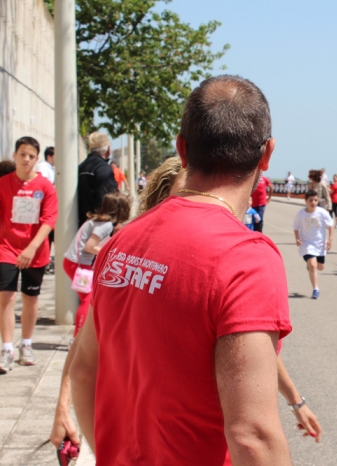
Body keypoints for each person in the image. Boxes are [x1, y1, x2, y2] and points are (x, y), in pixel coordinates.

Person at [69, 75, 294, 464]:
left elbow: (84, 372)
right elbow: (252, 436)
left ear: (182, 149)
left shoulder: (124, 240)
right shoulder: (246, 258)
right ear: (267, 154)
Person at [0, 137, 58, 373]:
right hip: (6, 248)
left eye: (31, 156)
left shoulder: (45, 187)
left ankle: (26, 344)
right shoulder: (3, 184)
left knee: (30, 298)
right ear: (15, 156)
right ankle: (6, 349)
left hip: (35, 250)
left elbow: (49, 220)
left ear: (37, 159)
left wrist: (32, 247)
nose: (26, 159)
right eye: (22, 154)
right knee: (7, 296)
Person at [63, 192, 131, 337]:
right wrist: (108, 253)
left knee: (87, 298)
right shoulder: (105, 225)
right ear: (120, 210)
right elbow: (89, 246)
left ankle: (79, 336)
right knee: (87, 300)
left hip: (75, 262)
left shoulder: (96, 220)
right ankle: (77, 337)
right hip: (78, 264)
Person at [293, 189, 334, 299]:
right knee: (312, 265)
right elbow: (296, 227)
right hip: (307, 243)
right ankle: (315, 289)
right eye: (310, 200)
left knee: (320, 267)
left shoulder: (322, 212)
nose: (313, 202)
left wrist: (330, 239)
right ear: (306, 201)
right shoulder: (301, 213)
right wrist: (297, 238)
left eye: (315, 200)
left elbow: (330, 225)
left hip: (320, 244)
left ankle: (311, 266)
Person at [78, 132, 118, 226]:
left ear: (89, 148)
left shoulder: (80, 168)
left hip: (81, 225)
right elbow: (109, 201)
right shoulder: (103, 169)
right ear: (108, 150)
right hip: (98, 227)